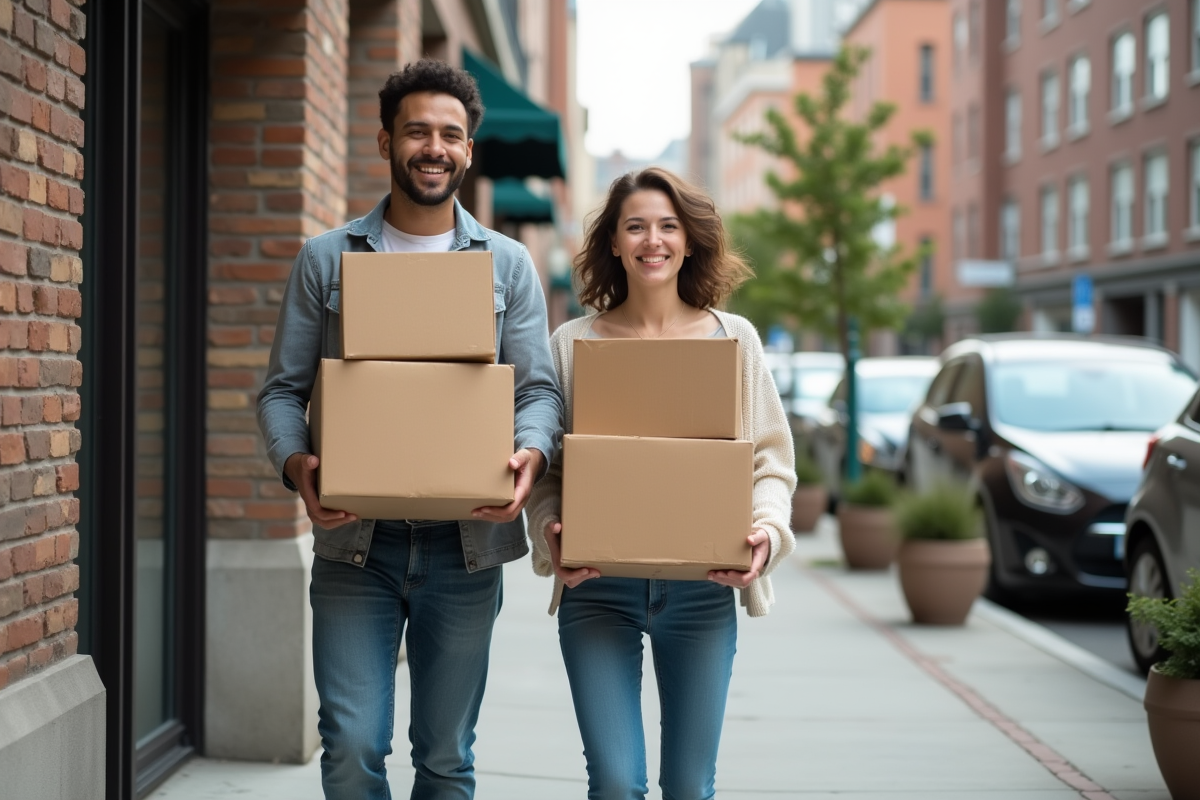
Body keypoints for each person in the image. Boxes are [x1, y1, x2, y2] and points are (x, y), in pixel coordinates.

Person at [256, 59, 562, 800]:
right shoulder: (328, 260)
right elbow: (280, 392)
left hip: (467, 544)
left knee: (447, 756)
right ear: (386, 139)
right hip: (357, 540)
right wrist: (301, 471)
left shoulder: (508, 266)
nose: (435, 147)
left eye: (451, 135)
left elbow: (540, 390)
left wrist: (530, 454)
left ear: (468, 149)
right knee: (352, 744)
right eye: (418, 131)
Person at [525, 167, 797, 800]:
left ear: (689, 241)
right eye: (637, 226)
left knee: (688, 788)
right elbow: (549, 470)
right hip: (599, 592)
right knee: (617, 783)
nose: (654, 240)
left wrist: (765, 533)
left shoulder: (735, 340)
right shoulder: (573, 345)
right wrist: (550, 533)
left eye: (669, 226)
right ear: (615, 243)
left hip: (702, 592)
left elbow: (771, 462)